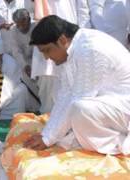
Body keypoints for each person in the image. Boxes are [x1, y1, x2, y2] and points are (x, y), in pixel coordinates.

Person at [24, 15, 130, 155]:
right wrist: (47, 135)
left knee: (80, 108)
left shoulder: (90, 50)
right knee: (62, 97)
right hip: (113, 105)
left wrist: (48, 139)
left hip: (124, 107)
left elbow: (78, 98)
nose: (46, 58)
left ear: (62, 40)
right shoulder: (74, 48)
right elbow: (65, 95)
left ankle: (118, 143)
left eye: (47, 50)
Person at [8, 8, 39, 112]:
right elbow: (16, 51)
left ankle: (44, 107)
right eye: (18, 24)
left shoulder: (37, 27)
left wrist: (35, 66)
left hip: (39, 61)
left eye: (23, 23)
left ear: (29, 19)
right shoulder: (13, 31)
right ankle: (33, 109)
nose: (21, 27)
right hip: (23, 62)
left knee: (42, 83)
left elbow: (39, 49)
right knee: (26, 82)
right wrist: (25, 65)